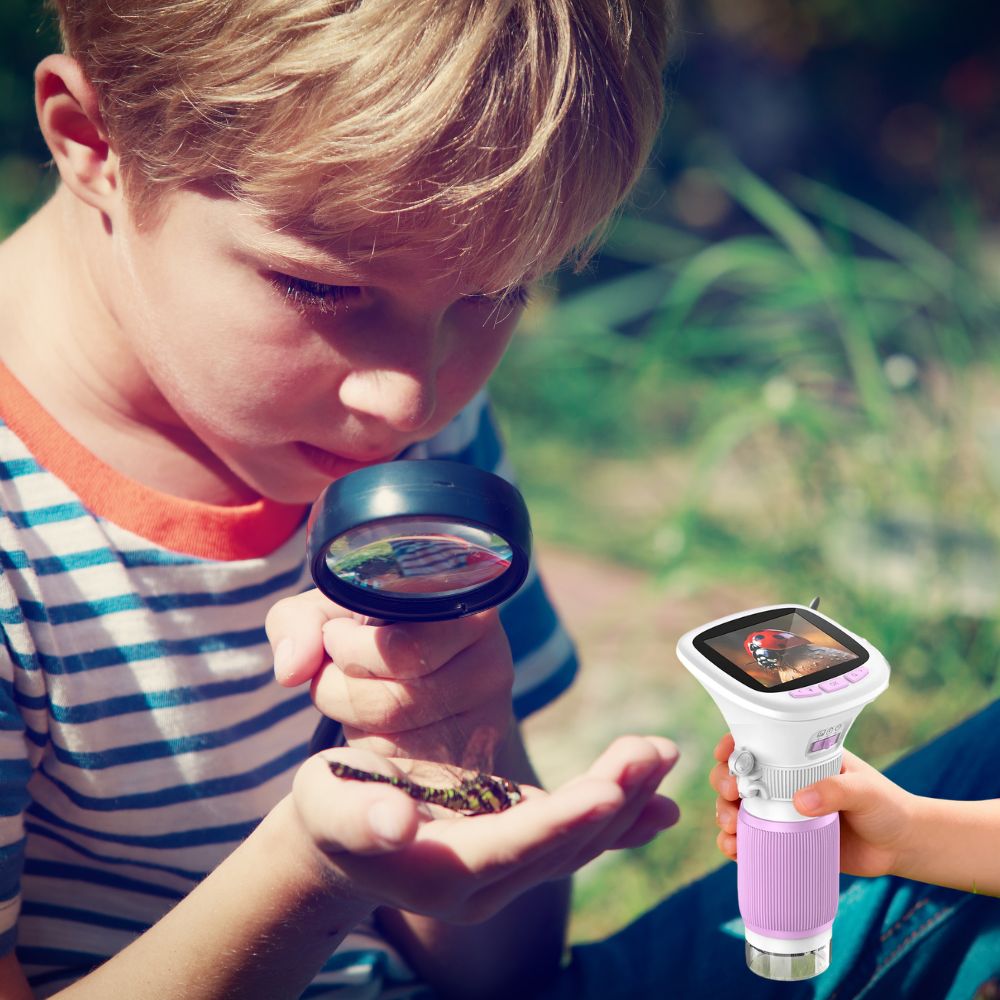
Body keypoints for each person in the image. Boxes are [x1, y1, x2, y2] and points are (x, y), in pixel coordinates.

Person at [0, 1, 680, 997]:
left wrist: (459, 732)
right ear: (93, 141)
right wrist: (309, 875)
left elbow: (508, 972)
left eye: (495, 294)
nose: (410, 395)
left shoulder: (410, 420)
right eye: (320, 288)